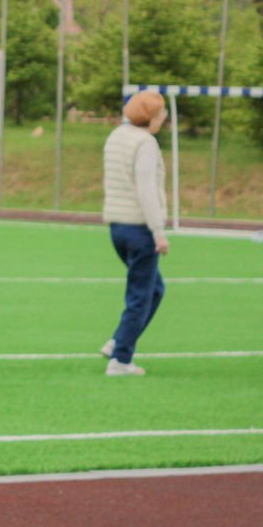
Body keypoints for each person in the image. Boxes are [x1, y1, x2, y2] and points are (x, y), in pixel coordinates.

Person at [100, 89, 170, 376]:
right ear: (151, 117)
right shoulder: (145, 143)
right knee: (141, 295)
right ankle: (121, 359)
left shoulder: (116, 136)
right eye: (162, 113)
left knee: (154, 288)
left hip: (117, 227)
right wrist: (158, 232)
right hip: (139, 229)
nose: (164, 118)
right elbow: (146, 189)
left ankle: (119, 339)